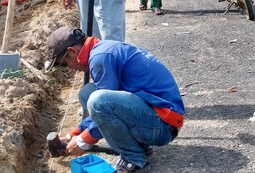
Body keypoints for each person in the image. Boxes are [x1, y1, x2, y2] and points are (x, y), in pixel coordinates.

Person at [45, 26, 183, 172]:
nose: (70, 68)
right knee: (88, 93)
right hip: (156, 117)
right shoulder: (102, 49)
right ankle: (139, 147)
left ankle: (134, 159)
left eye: (65, 64)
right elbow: (108, 103)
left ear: (72, 52)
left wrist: (82, 141)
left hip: (163, 126)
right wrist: (74, 134)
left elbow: (102, 105)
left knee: (97, 100)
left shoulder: (100, 58)